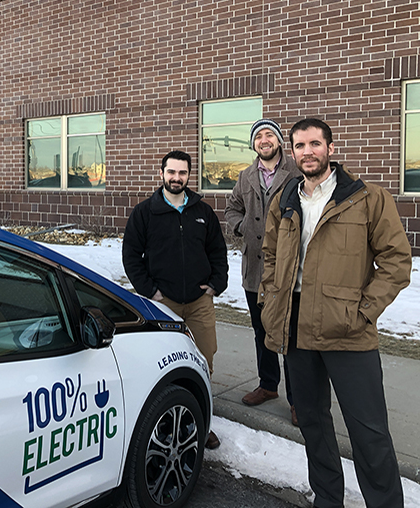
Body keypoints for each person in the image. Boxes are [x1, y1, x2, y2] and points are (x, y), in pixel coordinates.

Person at [259, 118, 410, 508]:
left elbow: (396, 261)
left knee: (369, 432)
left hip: (349, 333)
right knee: (313, 425)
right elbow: (271, 256)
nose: (307, 151)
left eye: (314, 143)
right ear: (291, 152)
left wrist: (364, 312)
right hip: (295, 329)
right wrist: (270, 299)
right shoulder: (285, 198)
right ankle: (327, 499)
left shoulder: (367, 198)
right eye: (299, 145)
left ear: (329, 147)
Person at [123, 150, 228, 450]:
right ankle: (167, 421)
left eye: (182, 173)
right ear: (162, 173)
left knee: (204, 360)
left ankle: (202, 422)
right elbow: (131, 255)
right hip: (162, 303)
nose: (176, 178)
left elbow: (217, 252)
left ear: (188, 176)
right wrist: (150, 291)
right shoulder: (145, 212)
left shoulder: (203, 212)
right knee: (164, 366)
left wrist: (215, 285)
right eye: (171, 172)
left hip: (199, 303)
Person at [225, 119, 302, 426]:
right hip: (255, 268)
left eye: (269, 135)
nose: (264, 140)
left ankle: (298, 400)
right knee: (262, 332)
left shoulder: (297, 173)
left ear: (280, 142)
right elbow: (232, 209)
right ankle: (268, 385)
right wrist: (242, 227)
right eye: (259, 136)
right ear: (254, 144)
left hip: (289, 270)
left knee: (290, 336)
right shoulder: (245, 176)